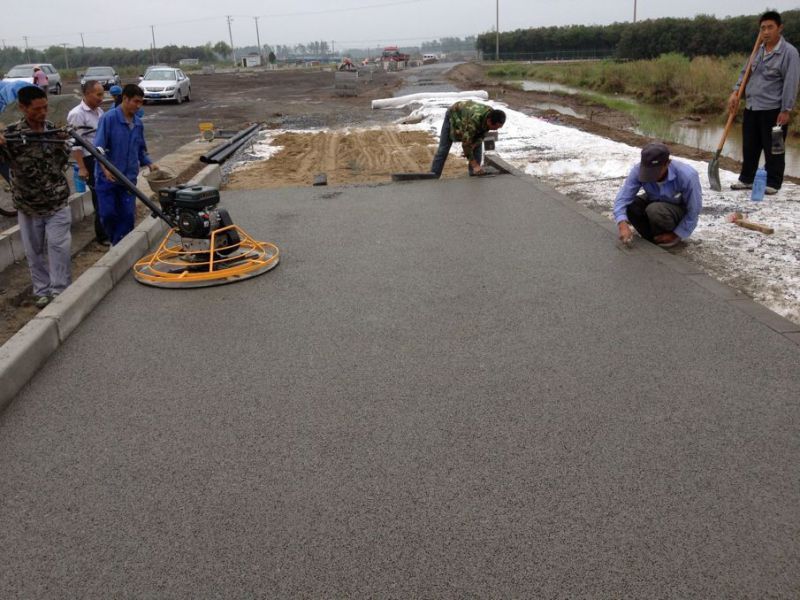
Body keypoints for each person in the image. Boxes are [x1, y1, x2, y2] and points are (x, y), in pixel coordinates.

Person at [0, 85, 72, 307]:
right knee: (34, 252)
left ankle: (60, 292)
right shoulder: (11, 136)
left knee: (60, 247)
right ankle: (42, 291)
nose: (42, 113)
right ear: (22, 108)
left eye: (45, 108)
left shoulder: (53, 131)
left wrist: (63, 143)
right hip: (29, 205)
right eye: (36, 109)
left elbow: (61, 163)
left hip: (57, 201)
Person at [728, 10, 800, 194]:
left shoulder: (789, 53)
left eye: (770, 27)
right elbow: (745, 74)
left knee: (774, 148)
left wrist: (786, 109)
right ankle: (746, 179)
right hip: (752, 106)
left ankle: (773, 183)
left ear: (780, 28)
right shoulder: (758, 51)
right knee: (750, 146)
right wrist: (736, 92)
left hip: (774, 109)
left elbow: (791, 82)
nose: (766, 32)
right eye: (763, 28)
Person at [93, 83, 159, 245]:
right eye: (135, 101)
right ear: (125, 99)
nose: (138, 105)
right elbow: (98, 148)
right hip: (107, 179)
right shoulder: (109, 119)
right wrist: (105, 168)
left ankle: (120, 246)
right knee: (108, 214)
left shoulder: (137, 123)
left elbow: (140, 149)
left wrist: (150, 164)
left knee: (128, 216)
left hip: (128, 179)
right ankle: (115, 241)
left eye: (140, 102)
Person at [613, 142, 703, 248]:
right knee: (631, 205)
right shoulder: (638, 170)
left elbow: (694, 210)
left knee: (655, 209)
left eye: (654, 171)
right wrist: (622, 224)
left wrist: (677, 234)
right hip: (654, 200)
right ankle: (652, 239)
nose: (650, 176)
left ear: (667, 164)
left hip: (677, 211)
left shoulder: (687, 175)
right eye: (647, 171)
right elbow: (623, 198)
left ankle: (670, 238)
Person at [67, 80, 109, 246]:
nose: (101, 97)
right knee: (99, 197)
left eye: (102, 94)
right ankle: (102, 235)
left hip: (101, 157)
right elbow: (75, 143)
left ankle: (108, 228)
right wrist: (82, 168)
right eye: (98, 94)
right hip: (89, 160)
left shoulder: (99, 111)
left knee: (106, 194)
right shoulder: (77, 114)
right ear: (87, 94)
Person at [430, 100, 506, 177]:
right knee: (443, 149)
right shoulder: (473, 121)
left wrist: (473, 145)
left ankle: (475, 174)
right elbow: (465, 144)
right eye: (495, 127)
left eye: (499, 127)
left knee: (477, 147)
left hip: (468, 117)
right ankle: (434, 175)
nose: (496, 129)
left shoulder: (493, 115)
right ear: (489, 121)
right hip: (454, 114)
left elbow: (481, 136)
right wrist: (474, 164)